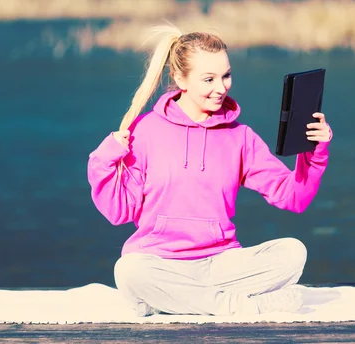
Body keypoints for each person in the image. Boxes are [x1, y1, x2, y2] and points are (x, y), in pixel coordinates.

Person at [87, 25, 332, 317]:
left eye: (226, 75)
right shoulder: (144, 131)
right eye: (209, 79)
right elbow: (119, 211)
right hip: (159, 262)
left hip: (221, 263)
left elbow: (294, 198)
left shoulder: (241, 137)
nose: (221, 88)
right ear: (181, 79)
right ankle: (239, 306)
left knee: (293, 253)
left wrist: (313, 152)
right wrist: (103, 160)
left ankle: (177, 300)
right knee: (128, 270)